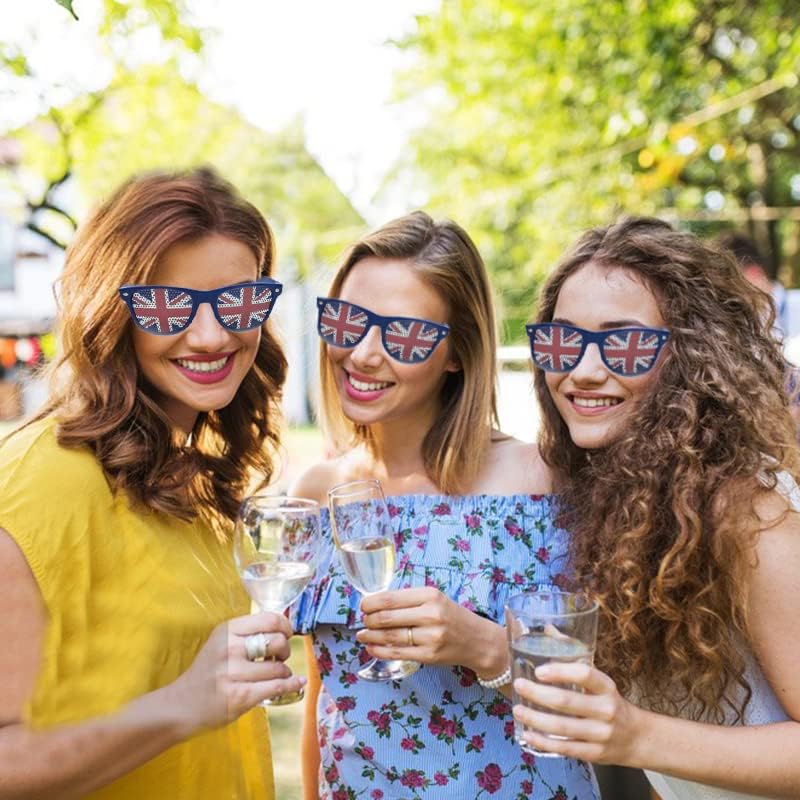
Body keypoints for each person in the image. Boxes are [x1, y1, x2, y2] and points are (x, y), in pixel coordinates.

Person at [0, 168, 305, 799]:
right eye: (168, 306)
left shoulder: (193, 468)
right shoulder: (42, 483)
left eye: (239, 302)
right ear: (112, 310)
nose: (213, 335)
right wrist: (181, 704)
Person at [290, 211, 599, 800]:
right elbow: (322, 700)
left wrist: (480, 646)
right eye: (349, 321)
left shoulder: (543, 481)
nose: (363, 353)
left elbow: (612, 697)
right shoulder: (316, 491)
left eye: (403, 334)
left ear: (456, 353)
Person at [514, 216, 800, 799]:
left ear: (691, 358)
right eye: (564, 340)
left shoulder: (748, 511)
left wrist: (634, 735)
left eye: (624, 344)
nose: (583, 370)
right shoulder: (626, 495)